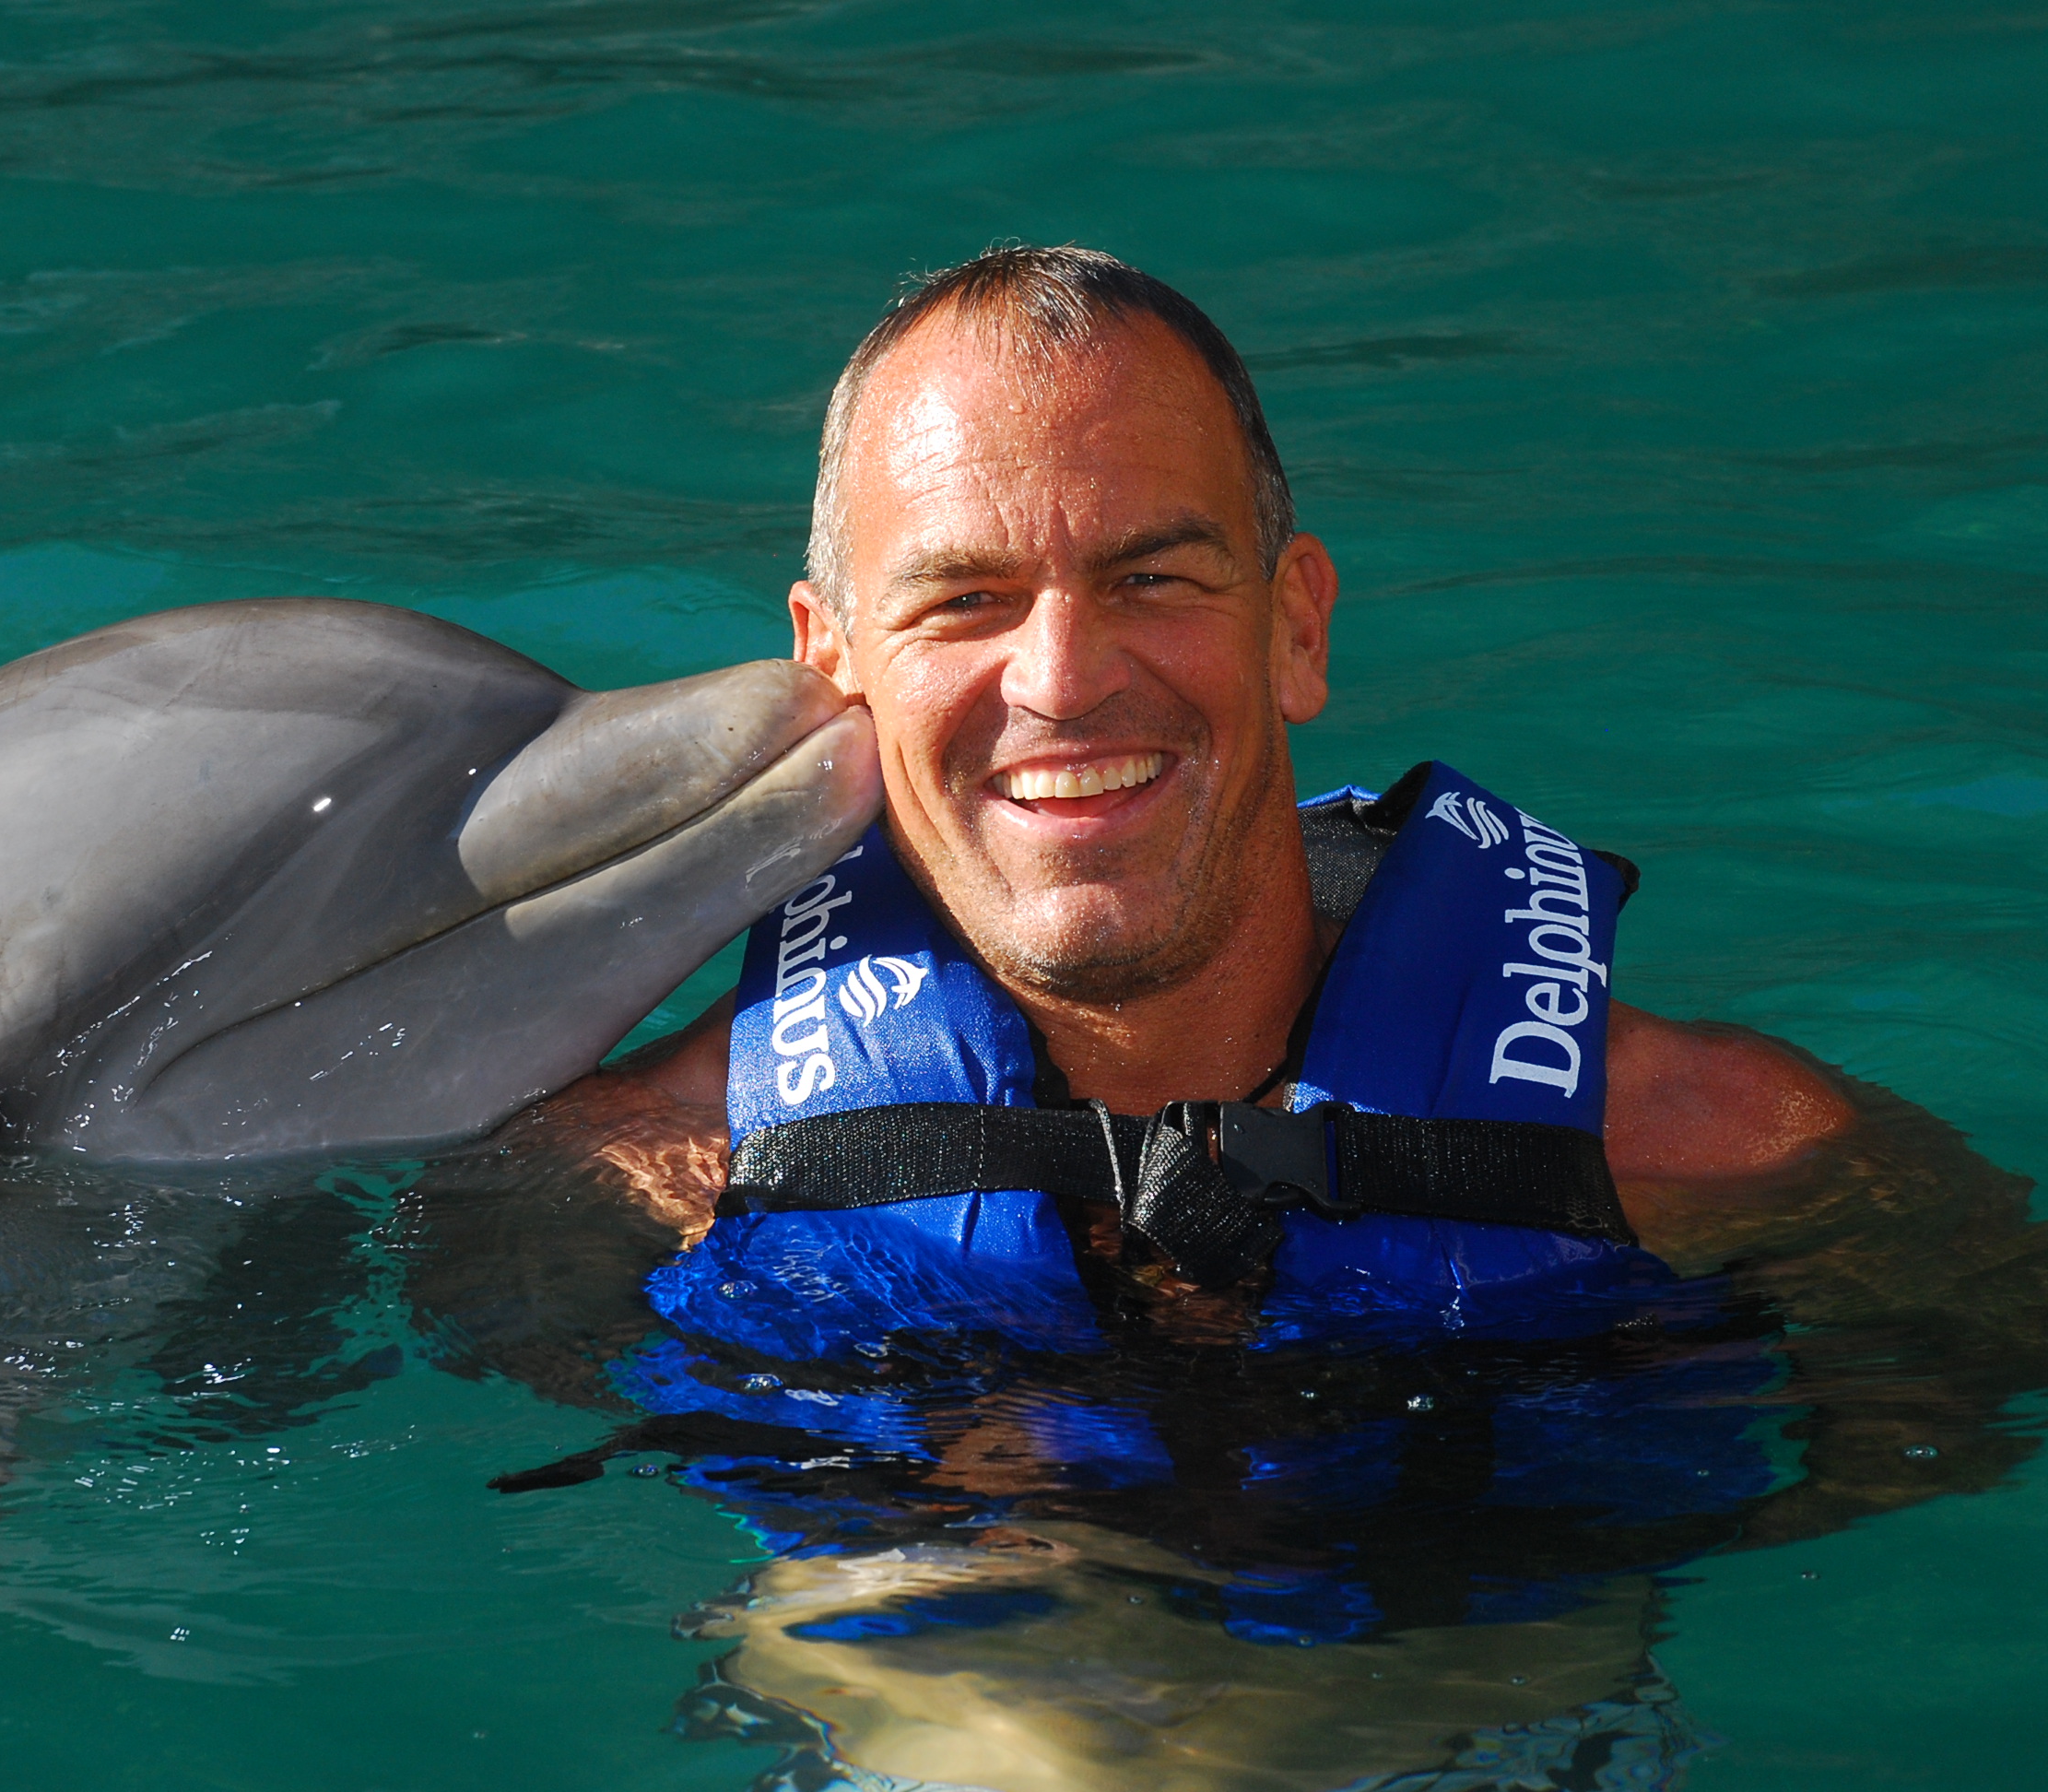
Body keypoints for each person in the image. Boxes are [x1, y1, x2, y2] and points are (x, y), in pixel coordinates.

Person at [534, 243, 1852, 1260]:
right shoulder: (638, 1187)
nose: (1061, 681)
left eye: (1154, 578)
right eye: (963, 601)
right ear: (834, 668)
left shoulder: (1722, 1151)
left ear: (1295, 627)